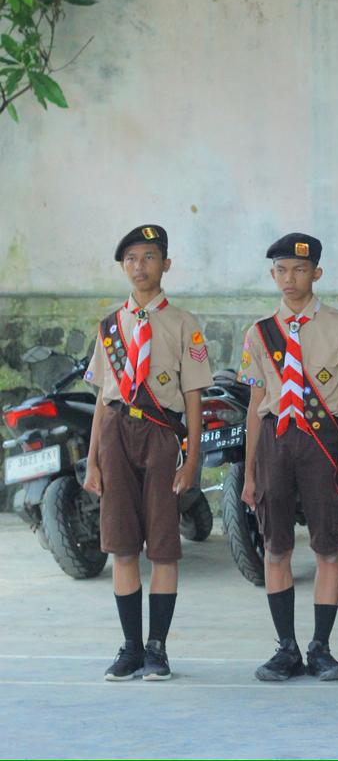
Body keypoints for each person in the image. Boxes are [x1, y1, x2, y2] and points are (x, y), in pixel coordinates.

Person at [84, 224, 212, 681]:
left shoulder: (183, 324)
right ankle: (131, 647)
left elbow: (194, 396)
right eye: (131, 259)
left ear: (166, 264)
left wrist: (192, 458)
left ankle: (158, 647)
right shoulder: (109, 327)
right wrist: (93, 459)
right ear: (124, 267)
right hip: (115, 434)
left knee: (162, 546)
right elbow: (103, 398)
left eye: (149, 257)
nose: (140, 267)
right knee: (121, 544)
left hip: (161, 434)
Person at [238, 233, 338, 682]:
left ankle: (321, 648)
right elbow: (255, 405)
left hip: (323, 443)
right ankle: (286, 648)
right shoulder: (259, 333)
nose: (289, 278)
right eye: (281, 270)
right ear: (272, 274)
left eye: (299, 269)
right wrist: (250, 471)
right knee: (276, 546)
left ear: (317, 272)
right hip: (275, 440)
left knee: (327, 546)